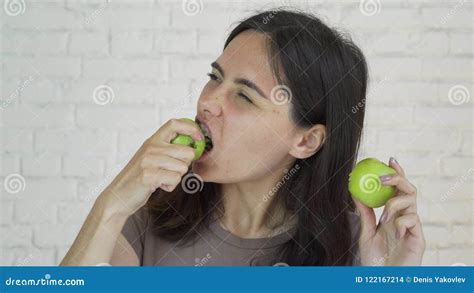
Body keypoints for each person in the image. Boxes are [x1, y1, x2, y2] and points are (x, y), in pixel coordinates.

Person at [61, 8, 425, 266]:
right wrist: (112, 205)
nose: (208, 102)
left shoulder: (356, 246)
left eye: (245, 95)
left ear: (306, 141)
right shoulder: (149, 222)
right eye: (215, 77)